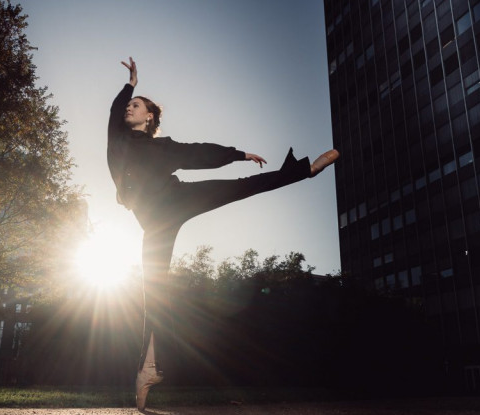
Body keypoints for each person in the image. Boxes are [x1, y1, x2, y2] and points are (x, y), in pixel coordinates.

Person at [108, 57, 339, 411]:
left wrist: (239, 154)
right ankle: (149, 370)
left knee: (240, 188)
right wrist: (131, 84)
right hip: (155, 222)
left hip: (177, 199)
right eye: (129, 105)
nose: (129, 108)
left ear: (150, 116)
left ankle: (304, 171)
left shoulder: (163, 147)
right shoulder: (119, 140)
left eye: (135, 105)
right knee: (152, 293)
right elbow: (113, 111)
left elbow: (197, 153)